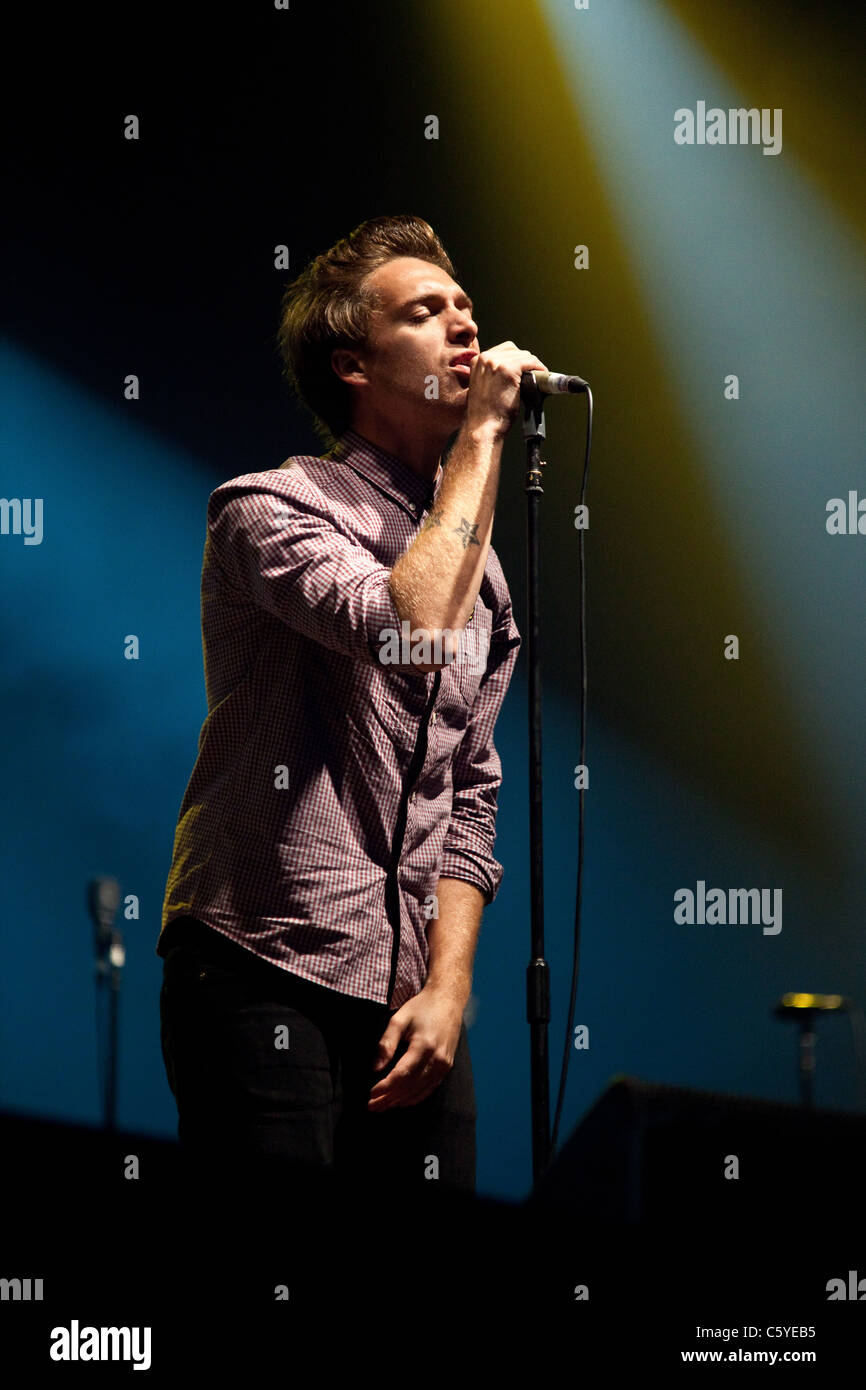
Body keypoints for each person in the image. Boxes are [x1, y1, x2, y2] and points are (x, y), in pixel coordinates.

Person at [157, 213, 547, 1198]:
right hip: (260, 960)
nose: (464, 328)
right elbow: (407, 626)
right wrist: (487, 433)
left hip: (409, 996)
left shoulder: (484, 582)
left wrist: (448, 989)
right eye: (426, 312)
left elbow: (468, 804)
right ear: (353, 366)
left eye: (465, 306)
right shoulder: (270, 509)